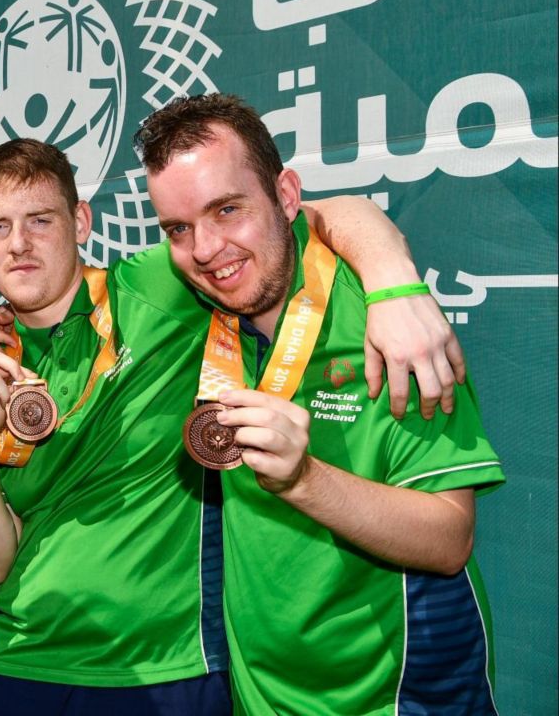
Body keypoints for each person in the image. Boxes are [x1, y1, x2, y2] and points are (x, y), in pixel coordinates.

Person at [0, 138, 463, 714]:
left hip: (165, 669)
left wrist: (396, 283)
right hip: (19, 655)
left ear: (80, 222)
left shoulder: (160, 285)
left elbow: (320, 214)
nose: (18, 245)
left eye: (40, 220)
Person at [137, 93, 502, 714]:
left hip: (395, 693)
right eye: (178, 228)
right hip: (262, 695)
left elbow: (449, 538)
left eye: (228, 209)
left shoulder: (390, 324)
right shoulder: (190, 296)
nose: (204, 248)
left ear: (284, 196)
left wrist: (303, 479)